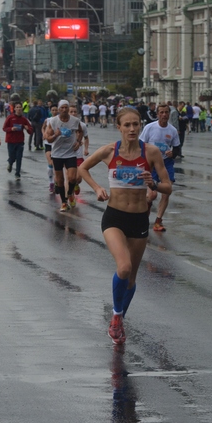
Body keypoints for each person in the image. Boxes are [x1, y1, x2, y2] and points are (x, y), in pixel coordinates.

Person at [78, 108, 172, 345]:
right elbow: (82, 168)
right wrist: (98, 189)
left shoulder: (150, 152)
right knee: (124, 267)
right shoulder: (109, 151)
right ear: (118, 127)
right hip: (114, 218)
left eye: (136, 124)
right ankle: (117, 317)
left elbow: (168, 187)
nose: (132, 129)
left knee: (131, 280)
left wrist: (155, 185)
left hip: (139, 219)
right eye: (127, 125)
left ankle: (117, 318)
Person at [140, 103, 181, 233]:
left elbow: (177, 148)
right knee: (151, 195)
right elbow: (141, 144)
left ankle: (158, 221)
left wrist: (173, 153)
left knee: (167, 192)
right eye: (161, 112)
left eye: (166, 112)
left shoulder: (172, 130)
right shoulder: (149, 127)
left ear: (169, 114)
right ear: (157, 114)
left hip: (166, 163)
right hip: (151, 164)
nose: (164, 115)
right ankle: (144, 214)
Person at [44, 100, 84, 212]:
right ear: (59, 109)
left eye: (66, 107)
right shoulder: (53, 121)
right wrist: (55, 135)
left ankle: (70, 193)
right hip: (57, 154)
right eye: (62, 108)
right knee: (60, 180)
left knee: (72, 177)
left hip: (70, 153)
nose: (64, 110)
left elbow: (80, 131)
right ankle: (64, 202)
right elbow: (48, 138)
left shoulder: (75, 121)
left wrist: (78, 141)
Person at [2, 102, 33, 181]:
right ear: (14, 109)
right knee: (12, 157)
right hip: (11, 141)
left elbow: (30, 130)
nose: (19, 109)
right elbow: (4, 128)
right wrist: (11, 129)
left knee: (19, 157)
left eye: (20, 107)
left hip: (20, 141)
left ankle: (17, 173)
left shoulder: (24, 119)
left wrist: (27, 128)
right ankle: (10, 162)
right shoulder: (10, 117)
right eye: (17, 107)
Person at [42, 105, 59, 193]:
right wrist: (44, 134)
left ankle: (56, 182)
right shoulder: (47, 120)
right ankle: (51, 182)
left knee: (56, 164)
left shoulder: (60, 120)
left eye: (56, 110)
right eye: (53, 110)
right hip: (48, 144)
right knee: (50, 162)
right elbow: (43, 127)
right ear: (50, 111)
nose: (54, 111)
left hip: (56, 144)